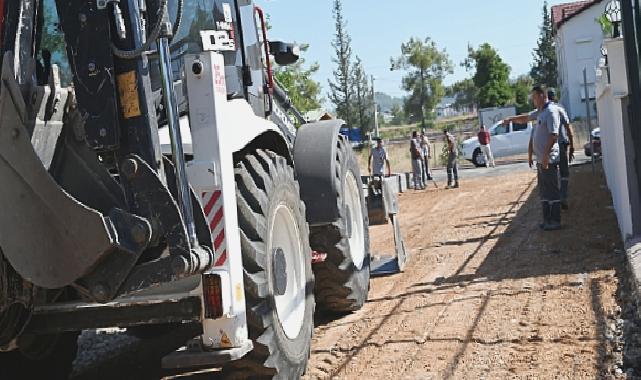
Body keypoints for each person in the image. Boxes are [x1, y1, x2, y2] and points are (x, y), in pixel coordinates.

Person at [504, 85, 562, 231]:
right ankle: (547, 220)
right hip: (541, 160)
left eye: (535, 97)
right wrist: (511, 119)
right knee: (543, 190)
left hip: (548, 159)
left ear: (542, 95)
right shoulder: (540, 112)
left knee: (552, 190)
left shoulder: (551, 111)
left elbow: (554, 135)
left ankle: (555, 220)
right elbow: (525, 118)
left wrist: (546, 156)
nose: (533, 101)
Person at [548, 89, 575, 210]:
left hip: (549, 147)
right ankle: (562, 196)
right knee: (564, 173)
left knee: (552, 174)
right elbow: (568, 128)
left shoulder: (544, 111)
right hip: (562, 144)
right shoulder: (559, 108)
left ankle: (553, 200)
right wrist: (572, 146)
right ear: (555, 97)